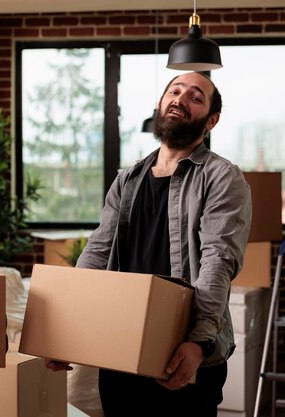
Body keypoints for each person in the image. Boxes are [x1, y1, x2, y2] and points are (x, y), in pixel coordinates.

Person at [46, 72, 252, 416]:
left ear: (211, 121)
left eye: (195, 97)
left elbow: (218, 260)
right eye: (174, 91)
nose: (180, 99)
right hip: (121, 347)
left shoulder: (221, 177)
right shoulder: (127, 179)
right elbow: (97, 252)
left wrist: (199, 342)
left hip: (183, 349)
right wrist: (69, 330)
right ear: (160, 104)